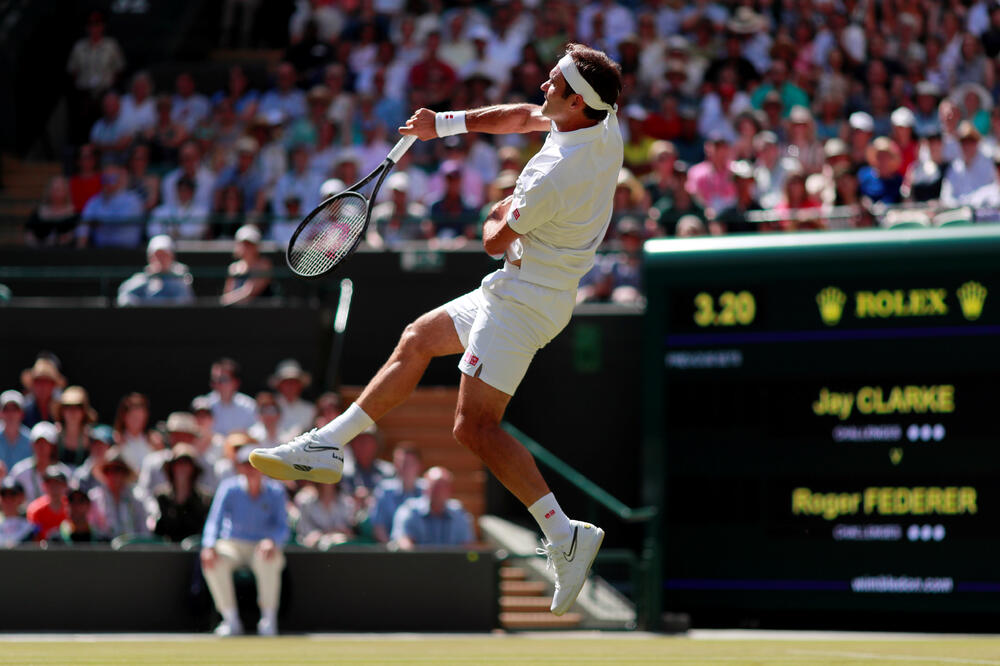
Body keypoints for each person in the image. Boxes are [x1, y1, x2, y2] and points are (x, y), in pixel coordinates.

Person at [251, 43, 617, 616]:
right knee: (417, 339)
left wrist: (498, 210)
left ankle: (564, 533)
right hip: (526, 286)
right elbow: (524, 115)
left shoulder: (555, 176)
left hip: (525, 300)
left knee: (473, 428)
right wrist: (441, 125)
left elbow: (493, 239)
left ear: (576, 101)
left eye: (552, 83)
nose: (542, 87)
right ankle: (329, 445)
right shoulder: (599, 117)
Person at [201, 446, 288, 636]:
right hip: (233, 545)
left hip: (262, 545)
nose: (251, 469)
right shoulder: (228, 488)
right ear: (239, 467)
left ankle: (268, 620)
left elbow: (283, 527)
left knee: (269, 558)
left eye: (255, 465)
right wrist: (208, 546)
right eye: (245, 464)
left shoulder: (276, 491)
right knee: (212, 561)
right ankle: (230, 620)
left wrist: (272, 541)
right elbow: (214, 521)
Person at [390, 466, 474, 550]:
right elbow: (403, 542)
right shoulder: (409, 510)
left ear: (450, 490)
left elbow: (467, 547)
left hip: (453, 563)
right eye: (434, 486)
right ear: (425, 489)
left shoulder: (459, 513)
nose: (438, 492)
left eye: (443, 487)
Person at [152, 444, 212, 543]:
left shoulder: (205, 499)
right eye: (178, 463)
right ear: (172, 468)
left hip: (195, 554)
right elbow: (158, 531)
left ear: (193, 468)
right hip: (168, 553)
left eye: (186, 463)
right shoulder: (161, 497)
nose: (182, 468)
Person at [116, 235, 196, 307]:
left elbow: (185, 301)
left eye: (164, 255)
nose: (160, 259)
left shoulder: (181, 279)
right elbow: (123, 299)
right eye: (157, 255)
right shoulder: (141, 279)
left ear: (171, 257)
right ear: (149, 257)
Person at [88, 448, 149, 539]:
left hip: (131, 549)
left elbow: (144, 532)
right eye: (109, 470)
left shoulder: (136, 500)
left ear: (125, 474)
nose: (114, 475)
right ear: (105, 473)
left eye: (118, 470)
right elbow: (91, 529)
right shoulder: (94, 499)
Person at [370, 444, 425, 544]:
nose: (404, 468)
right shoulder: (384, 490)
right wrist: (391, 550)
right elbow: (378, 527)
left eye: (409, 463)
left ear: (418, 466)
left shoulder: (427, 490)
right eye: (400, 463)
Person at [10, 423, 72, 503]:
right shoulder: (19, 471)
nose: (41, 447)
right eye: (38, 443)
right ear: (32, 445)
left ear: (52, 446)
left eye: (45, 443)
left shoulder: (65, 473)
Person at [200, 358, 257, 436]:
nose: (217, 384)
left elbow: (256, 434)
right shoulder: (202, 406)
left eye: (223, 379)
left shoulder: (249, 406)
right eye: (214, 380)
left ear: (236, 382)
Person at [221, 225, 273, 306]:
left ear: (256, 246)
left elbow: (250, 293)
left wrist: (229, 300)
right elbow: (226, 296)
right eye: (243, 243)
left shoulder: (264, 265)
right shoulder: (233, 268)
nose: (246, 247)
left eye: (250, 244)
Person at [294, 481, 355, 548]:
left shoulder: (347, 503)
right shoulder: (306, 504)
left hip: (342, 551)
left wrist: (330, 535)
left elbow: (350, 532)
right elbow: (305, 534)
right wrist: (324, 536)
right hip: (314, 551)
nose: (326, 483)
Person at [268, 360, 316, 440]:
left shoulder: (310, 409)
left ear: (300, 385)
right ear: (279, 385)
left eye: (294, 382)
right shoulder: (269, 407)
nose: (290, 386)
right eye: (286, 382)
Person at [26, 177, 80, 247]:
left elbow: (78, 235)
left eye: (59, 189)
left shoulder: (74, 214)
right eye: (53, 189)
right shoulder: (39, 213)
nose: (55, 192)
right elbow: (29, 233)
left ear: (66, 191)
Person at [26, 466, 69, 540]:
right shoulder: (35, 510)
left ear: (65, 486)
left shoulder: (72, 507)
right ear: (44, 486)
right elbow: (34, 537)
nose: (54, 487)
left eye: (57, 483)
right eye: (50, 483)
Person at [0, 390, 32, 473]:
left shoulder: (31, 439)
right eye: (6, 409)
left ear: (22, 413)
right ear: (0, 413)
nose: (10, 414)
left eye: (15, 409)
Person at [0, 478, 34, 547]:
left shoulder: (30, 529)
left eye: (13, 494)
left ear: (22, 497)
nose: (8, 499)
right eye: (4, 495)